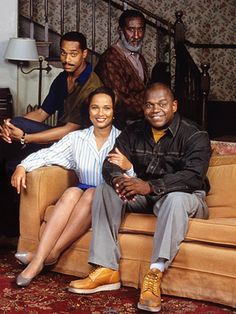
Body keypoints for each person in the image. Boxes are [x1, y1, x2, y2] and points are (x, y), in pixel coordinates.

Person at [68, 83, 212, 313]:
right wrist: (119, 181)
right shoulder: (134, 131)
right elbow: (109, 163)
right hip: (145, 196)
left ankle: (154, 273)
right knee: (105, 189)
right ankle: (107, 269)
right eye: (149, 105)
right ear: (143, 108)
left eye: (162, 104)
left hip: (185, 197)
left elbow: (193, 177)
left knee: (174, 199)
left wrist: (149, 186)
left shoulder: (194, 134)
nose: (156, 110)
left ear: (174, 106)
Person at [11, 87, 133, 288]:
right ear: (89, 111)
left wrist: (128, 166)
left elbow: (135, 175)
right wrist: (22, 166)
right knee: (71, 192)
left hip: (109, 197)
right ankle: (44, 256)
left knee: (93, 193)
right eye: (95, 108)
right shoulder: (77, 138)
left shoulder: (124, 139)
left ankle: (44, 257)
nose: (100, 114)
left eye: (106, 108)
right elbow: (49, 154)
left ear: (114, 111)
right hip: (82, 191)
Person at [0, 31, 102, 174]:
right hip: (58, 137)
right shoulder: (62, 78)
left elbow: (70, 130)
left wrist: (25, 138)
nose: (67, 59)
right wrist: (8, 125)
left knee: (17, 128)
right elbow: (42, 113)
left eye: (73, 54)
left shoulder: (92, 86)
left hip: (78, 143)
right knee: (13, 163)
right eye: (63, 53)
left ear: (84, 54)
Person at [94, 9, 149, 129]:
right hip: (121, 124)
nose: (136, 36)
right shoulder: (110, 59)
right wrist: (151, 110)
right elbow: (121, 101)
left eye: (140, 29)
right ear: (120, 31)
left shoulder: (140, 58)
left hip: (142, 119)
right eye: (131, 29)